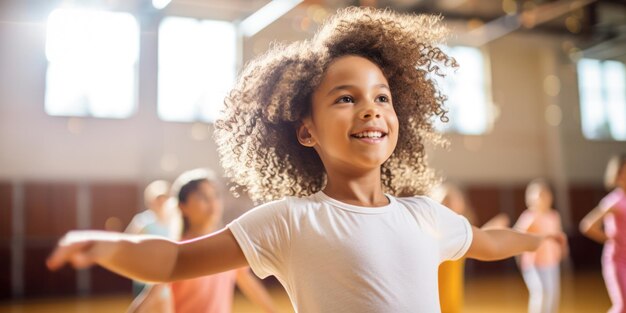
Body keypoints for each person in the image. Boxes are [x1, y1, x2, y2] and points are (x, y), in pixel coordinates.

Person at [47, 7, 565, 313]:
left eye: (382, 97)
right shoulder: (292, 221)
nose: (370, 108)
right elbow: (177, 260)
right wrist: (103, 244)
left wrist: (538, 238)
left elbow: (487, 241)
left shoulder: (424, 216)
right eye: (346, 97)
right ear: (306, 131)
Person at [128, 169, 276, 313]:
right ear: (182, 206)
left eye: (215, 196)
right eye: (203, 197)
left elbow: (248, 283)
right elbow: (149, 298)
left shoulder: (227, 245)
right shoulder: (178, 250)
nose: (213, 203)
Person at [430, 183, 510, 313]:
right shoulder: (433, 234)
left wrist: (493, 228)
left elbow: (479, 239)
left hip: (452, 304)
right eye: (446, 200)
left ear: (461, 206)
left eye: (453, 201)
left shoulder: (460, 235)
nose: (449, 205)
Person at [125, 180, 180, 313]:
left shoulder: (173, 222)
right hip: (144, 277)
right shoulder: (142, 222)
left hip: (164, 277)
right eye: (158, 198)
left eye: (164, 198)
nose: (161, 201)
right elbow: (127, 246)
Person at [580, 154, 626, 313]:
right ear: (618, 175)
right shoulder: (613, 201)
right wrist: (611, 238)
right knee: (622, 306)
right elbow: (587, 225)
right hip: (617, 261)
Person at [514, 179, 568, 313]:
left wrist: (563, 249)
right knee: (540, 293)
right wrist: (518, 257)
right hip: (533, 264)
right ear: (530, 198)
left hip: (551, 262)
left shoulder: (554, 216)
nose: (543, 198)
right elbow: (517, 235)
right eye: (539, 195)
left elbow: (559, 236)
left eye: (545, 194)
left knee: (553, 293)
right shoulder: (529, 216)